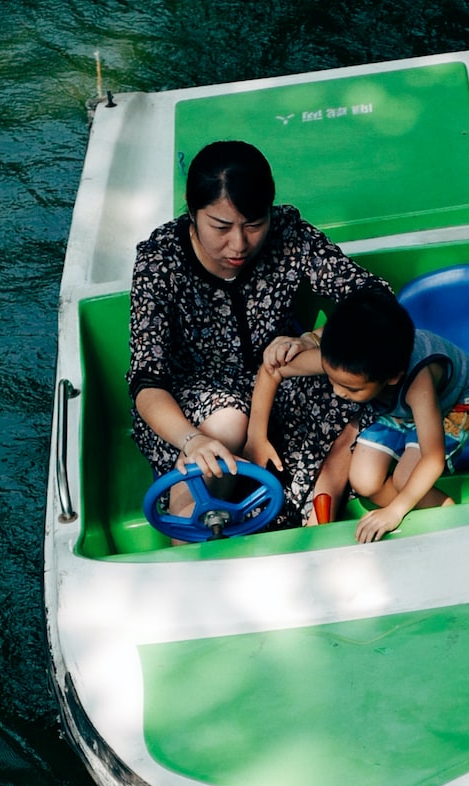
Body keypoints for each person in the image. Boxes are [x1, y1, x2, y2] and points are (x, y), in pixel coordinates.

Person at [126, 140, 386, 529]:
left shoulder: (289, 234)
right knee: (226, 426)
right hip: (195, 398)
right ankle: (194, 538)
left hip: (283, 378)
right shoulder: (161, 259)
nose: (239, 244)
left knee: (368, 388)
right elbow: (146, 380)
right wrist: (191, 440)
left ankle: (320, 515)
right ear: (192, 210)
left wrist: (313, 339)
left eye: (254, 224)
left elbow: (374, 298)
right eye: (221, 227)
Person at [246, 286, 469, 542]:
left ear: (392, 377)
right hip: (392, 405)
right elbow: (272, 370)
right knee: (364, 481)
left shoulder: (418, 384)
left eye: (350, 388)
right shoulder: (346, 358)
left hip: (450, 405)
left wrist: (395, 511)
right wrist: (256, 437)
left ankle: (446, 511)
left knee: (406, 479)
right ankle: (413, 503)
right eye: (332, 378)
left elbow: (432, 458)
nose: (337, 392)